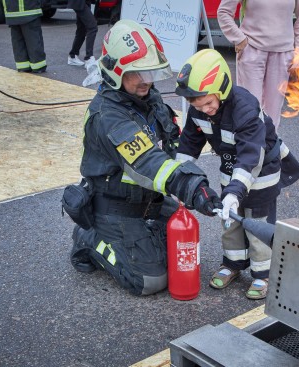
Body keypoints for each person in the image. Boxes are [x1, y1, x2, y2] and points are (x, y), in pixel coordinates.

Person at [66, 20, 222, 296]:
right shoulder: (109, 117)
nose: (147, 80)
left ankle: (138, 237)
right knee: (152, 279)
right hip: (115, 206)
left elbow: (172, 141)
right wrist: (190, 184)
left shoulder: (148, 99)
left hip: (148, 201)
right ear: (116, 72)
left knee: (183, 242)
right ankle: (90, 238)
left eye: (150, 72)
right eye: (139, 73)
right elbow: (148, 162)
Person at [174, 49, 299, 299]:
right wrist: (179, 177)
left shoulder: (245, 108)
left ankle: (263, 274)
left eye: (209, 103)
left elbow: (251, 156)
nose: (206, 110)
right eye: (198, 106)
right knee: (230, 223)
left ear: (221, 89)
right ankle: (233, 265)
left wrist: (235, 191)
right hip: (231, 172)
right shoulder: (199, 109)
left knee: (257, 227)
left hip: (260, 174)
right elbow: (189, 143)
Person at [217, 0, 299, 131]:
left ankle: (269, 149)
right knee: (249, 110)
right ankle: (248, 148)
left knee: (272, 116)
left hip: (283, 55)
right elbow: (224, 12)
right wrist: (239, 39)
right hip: (252, 51)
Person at [2, 0, 47, 73]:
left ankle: (23, 66)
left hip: (11, 11)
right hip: (29, 10)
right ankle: (38, 66)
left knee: (18, 41)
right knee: (33, 40)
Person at [66, 0, 98, 72]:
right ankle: (89, 58)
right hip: (80, 2)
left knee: (82, 29)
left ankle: (73, 55)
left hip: (83, 2)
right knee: (92, 27)